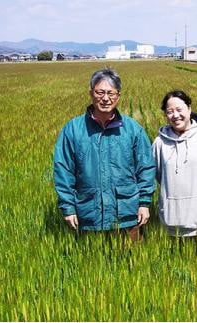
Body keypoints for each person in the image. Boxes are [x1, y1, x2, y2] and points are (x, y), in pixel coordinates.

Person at [53, 68, 156, 241]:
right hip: (88, 217)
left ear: (118, 96)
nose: (106, 98)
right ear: (91, 94)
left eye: (111, 93)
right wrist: (68, 207)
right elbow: (63, 170)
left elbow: (145, 168)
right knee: (91, 265)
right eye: (100, 92)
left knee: (131, 264)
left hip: (127, 216)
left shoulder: (133, 130)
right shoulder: (73, 129)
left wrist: (144, 203)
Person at [152, 90, 197, 239]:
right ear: (165, 115)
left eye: (179, 109)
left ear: (189, 109)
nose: (175, 115)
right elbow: (159, 174)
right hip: (172, 222)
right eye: (170, 111)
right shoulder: (159, 143)